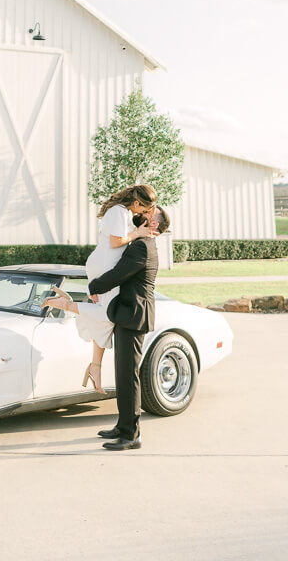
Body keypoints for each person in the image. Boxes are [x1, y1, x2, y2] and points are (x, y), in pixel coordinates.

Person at [46, 204, 169, 451]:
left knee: (128, 376)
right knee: (122, 375)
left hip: (134, 316)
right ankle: (122, 425)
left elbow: (118, 274)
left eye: (148, 215)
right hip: (127, 314)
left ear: (153, 225)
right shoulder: (139, 244)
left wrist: (92, 287)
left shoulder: (143, 247)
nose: (142, 215)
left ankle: (130, 435)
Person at [42, 184, 158, 393]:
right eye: (145, 209)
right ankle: (66, 304)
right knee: (107, 315)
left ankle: (95, 366)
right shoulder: (119, 212)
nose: (144, 213)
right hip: (105, 264)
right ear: (136, 203)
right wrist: (138, 233)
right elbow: (116, 242)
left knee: (105, 317)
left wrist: (135, 232)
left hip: (105, 263)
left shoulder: (121, 212)